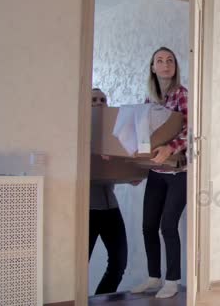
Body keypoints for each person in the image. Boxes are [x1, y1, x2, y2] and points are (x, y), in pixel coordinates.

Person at [131, 47, 188, 299]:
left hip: (178, 171)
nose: (166, 65)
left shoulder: (182, 95)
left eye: (170, 60)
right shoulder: (149, 101)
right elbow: (143, 139)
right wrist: (132, 167)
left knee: (168, 225)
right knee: (147, 225)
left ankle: (172, 280)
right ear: (152, 67)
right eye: (160, 61)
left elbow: (190, 129)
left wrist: (170, 147)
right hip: (155, 171)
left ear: (175, 66)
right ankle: (154, 277)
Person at [89, 88, 128, 295]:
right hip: (87, 208)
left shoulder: (114, 134)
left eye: (103, 99)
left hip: (111, 206)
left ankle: (99, 300)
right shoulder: (80, 132)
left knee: (119, 262)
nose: (99, 102)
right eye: (94, 99)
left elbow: (123, 165)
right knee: (78, 264)